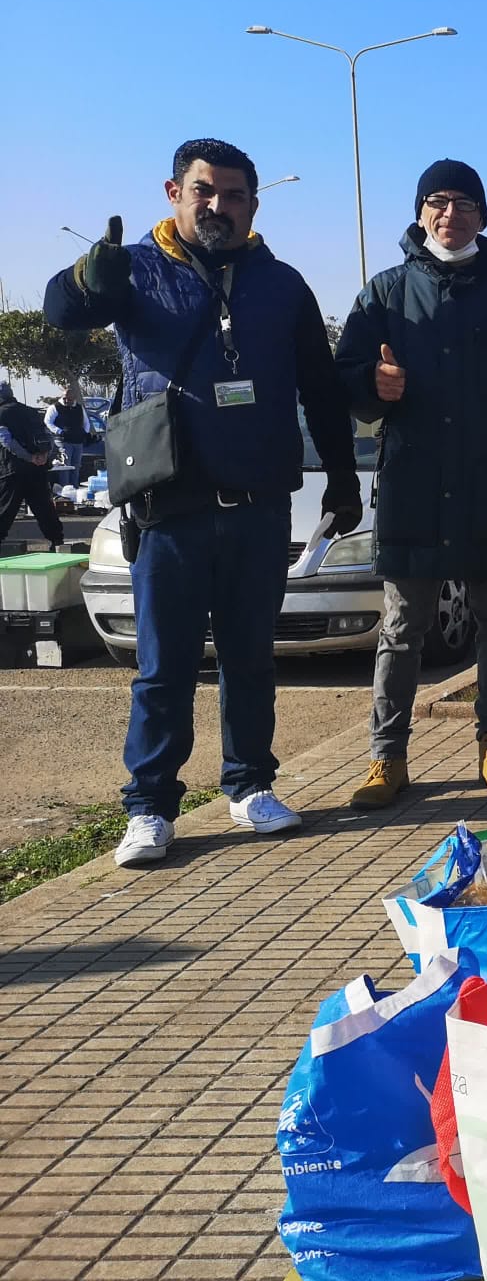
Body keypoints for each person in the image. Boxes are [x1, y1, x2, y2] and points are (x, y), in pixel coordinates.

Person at [42, 138, 359, 866]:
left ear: (253, 203)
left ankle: (249, 787)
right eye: (204, 192)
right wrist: (91, 276)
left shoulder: (281, 284)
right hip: (170, 507)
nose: (218, 207)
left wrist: (341, 480)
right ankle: (150, 807)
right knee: (165, 667)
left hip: (258, 506)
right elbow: (63, 311)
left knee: (251, 657)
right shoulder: (137, 272)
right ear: (174, 192)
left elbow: (321, 387)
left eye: (235, 195)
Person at [336, 160, 487, 808]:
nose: (450, 213)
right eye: (437, 201)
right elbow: (345, 378)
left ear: (483, 216)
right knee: (403, 625)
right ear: (419, 213)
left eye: (464, 202)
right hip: (414, 485)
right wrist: (370, 387)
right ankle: (388, 757)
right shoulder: (383, 294)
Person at [0, 380, 64, 547]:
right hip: (38, 469)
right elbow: (47, 435)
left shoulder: (1, 414)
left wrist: (28, 457)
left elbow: (7, 442)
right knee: (44, 508)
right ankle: (57, 542)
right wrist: (43, 455)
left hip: (12, 470)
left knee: (5, 509)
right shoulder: (30, 411)